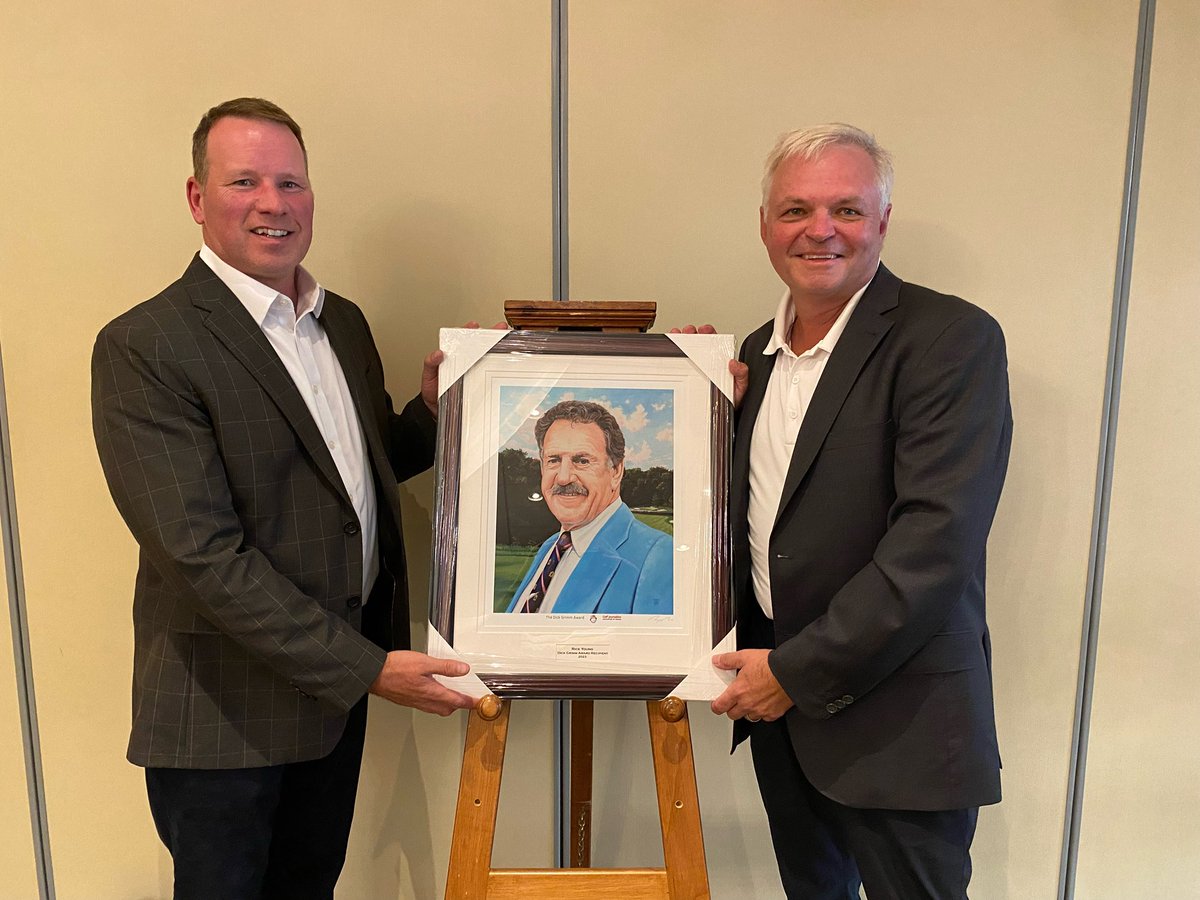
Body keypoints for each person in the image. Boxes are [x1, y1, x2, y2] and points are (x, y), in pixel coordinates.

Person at [90, 97, 475, 899]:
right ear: (198, 199)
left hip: (328, 707)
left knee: (309, 888)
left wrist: (437, 413)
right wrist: (368, 668)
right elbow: (202, 556)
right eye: (245, 181)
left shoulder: (343, 324)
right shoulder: (148, 345)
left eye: (291, 183)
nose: (273, 203)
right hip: (221, 716)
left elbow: (357, 474)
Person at [709, 124, 1012, 898]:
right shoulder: (754, 356)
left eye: (846, 208)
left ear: (882, 221)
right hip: (784, 721)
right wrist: (695, 410)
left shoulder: (948, 339)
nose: (819, 230)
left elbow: (932, 549)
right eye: (795, 210)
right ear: (765, 225)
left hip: (900, 722)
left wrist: (792, 674)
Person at [505, 400, 673, 615]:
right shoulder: (551, 547)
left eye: (582, 461)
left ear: (616, 471)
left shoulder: (659, 557)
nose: (564, 477)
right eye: (554, 460)